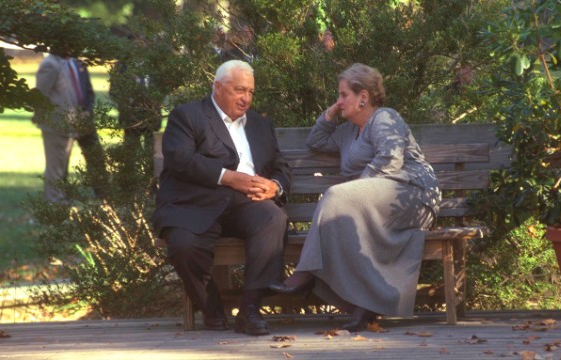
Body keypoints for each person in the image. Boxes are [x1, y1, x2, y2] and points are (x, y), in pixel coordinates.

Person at [269, 63, 441, 331]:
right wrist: (330, 114)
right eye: (338, 96)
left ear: (364, 97)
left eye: (343, 95)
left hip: (412, 193)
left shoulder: (385, 118)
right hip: (373, 201)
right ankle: (363, 305)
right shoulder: (347, 133)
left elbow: (390, 160)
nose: (339, 101)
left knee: (338, 195)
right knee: (343, 211)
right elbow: (316, 142)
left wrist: (354, 191)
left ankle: (305, 273)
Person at [153, 60, 292, 336]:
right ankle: (211, 306)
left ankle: (250, 310)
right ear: (217, 87)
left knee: (272, 218)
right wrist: (229, 177)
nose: (246, 99)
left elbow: (280, 165)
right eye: (240, 90)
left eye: (251, 92)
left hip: (246, 203)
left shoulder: (260, 124)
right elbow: (181, 159)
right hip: (196, 202)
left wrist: (275, 187)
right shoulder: (188, 116)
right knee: (183, 245)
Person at [33, 50, 106, 203]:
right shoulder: (50, 64)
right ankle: (54, 202)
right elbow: (40, 96)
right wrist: (43, 119)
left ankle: (61, 199)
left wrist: (85, 112)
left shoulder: (67, 63)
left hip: (72, 122)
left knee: (63, 163)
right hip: (56, 124)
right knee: (56, 166)